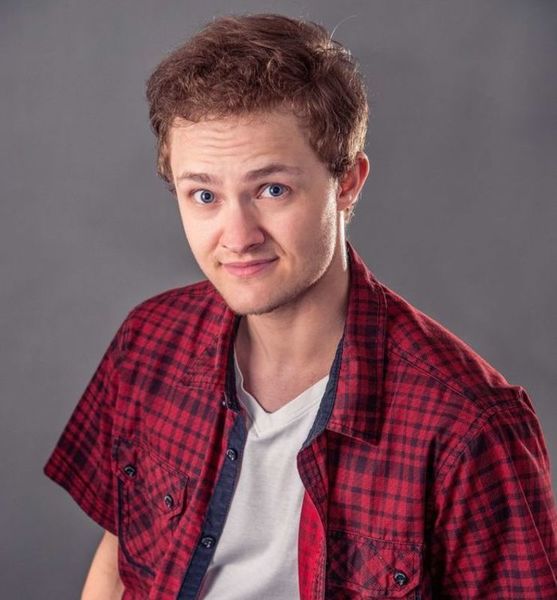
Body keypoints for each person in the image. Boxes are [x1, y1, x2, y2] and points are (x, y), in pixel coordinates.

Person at [44, 13, 557, 600]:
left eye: (272, 190)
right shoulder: (148, 341)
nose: (238, 236)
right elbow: (118, 559)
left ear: (348, 182)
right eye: (204, 195)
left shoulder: (469, 425)